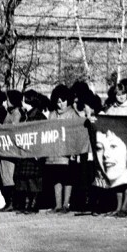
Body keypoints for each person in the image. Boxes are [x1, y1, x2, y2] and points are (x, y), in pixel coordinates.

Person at [100, 82, 127, 217]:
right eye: (118, 95)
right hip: (114, 151)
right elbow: (104, 123)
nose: (120, 97)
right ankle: (118, 206)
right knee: (116, 177)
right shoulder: (111, 109)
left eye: (123, 94)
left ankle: (125, 206)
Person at [46, 84, 80, 214]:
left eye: (63, 101)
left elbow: (77, 133)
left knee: (67, 178)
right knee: (56, 177)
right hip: (53, 151)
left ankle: (66, 204)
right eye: (58, 101)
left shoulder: (72, 114)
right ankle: (58, 205)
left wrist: (74, 151)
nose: (60, 104)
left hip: (67, 151)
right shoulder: (52, 114)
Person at [13, 90, 48, 214]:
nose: (21, 102)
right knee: (24, 180)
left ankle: (33, 205)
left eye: (23, 100)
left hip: (34, 154)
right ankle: (26, 204)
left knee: (33, 180)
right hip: (24, 152)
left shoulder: (38, 117)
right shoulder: (25, 116)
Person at [0, 89, 23, 213]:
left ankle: (11, 202)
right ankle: (8, 201)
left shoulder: (17, 114)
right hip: (3, 150)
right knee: (1, 177)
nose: (6, 102)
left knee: (8, 177)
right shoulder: (8, 113)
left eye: (8, 100)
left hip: (10, 152)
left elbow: (13, 129)